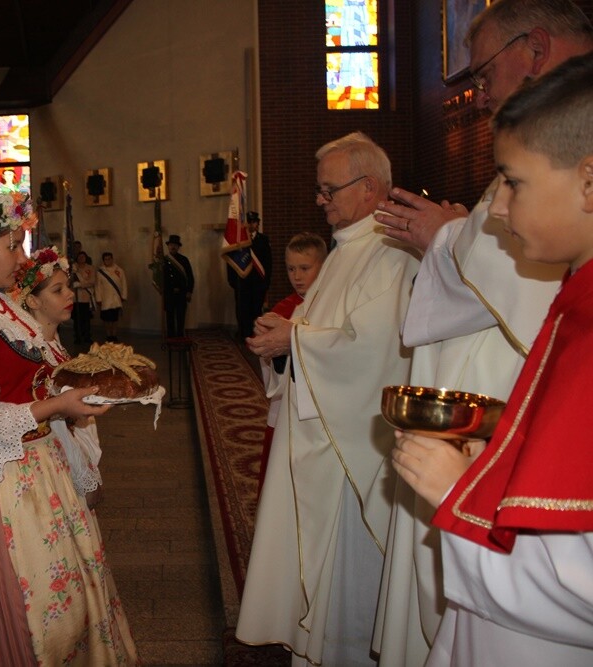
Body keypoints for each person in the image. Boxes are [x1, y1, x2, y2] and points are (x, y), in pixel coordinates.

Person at [371, 3, 593, 664]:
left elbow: (575, 582)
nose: (494, 208)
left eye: (514, 185)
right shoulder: (574, 296)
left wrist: (456, 492)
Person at [0, 192, 138, 665]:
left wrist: (77, 392)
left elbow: (37, 375)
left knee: (75, 593)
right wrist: (56, 405)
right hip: (5, 480)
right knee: (43, 607)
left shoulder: (2, 305)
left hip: (41, 463)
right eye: (13, 246)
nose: (21, 259)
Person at [236, 132, 420, 666]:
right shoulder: (348, 249)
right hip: (323, 435)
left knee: (349, 574)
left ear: (368, 188)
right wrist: (287, 332)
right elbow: (328, 329)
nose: (321, 200)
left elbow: (377, 351)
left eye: (328, 189)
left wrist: (292, 338)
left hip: (352, 448)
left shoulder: (391, 253)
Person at [11, 246, 105, 507]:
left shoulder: (53, 342)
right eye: (58, 290)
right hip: (55, 455)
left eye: (67, 286)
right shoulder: (31, 351)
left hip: (75, 442)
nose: (69, 294)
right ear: (32, 301)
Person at [256, 232, 328, 495]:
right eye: (290, 269)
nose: (296, 276)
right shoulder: (284, 308)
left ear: (325, 266)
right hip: (287, 406)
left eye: (305, 268)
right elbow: (274, 376)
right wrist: (267, 347)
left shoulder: (332, 306)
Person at [228, 211, 273, 339]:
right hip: (242, 282)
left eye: (253, 222)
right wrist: (232, 281)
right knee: (242, 309)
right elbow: (231, 261)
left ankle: (254, 334)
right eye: (248, 222)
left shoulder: (263, 240)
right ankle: (243, 334)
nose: (251, 224)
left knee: (256, 309)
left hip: (258, 282)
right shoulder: (239, 240)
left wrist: (266, 282)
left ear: (258, 223)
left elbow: (268, 262)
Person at [162, 234, 194, 338]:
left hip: (181, 293)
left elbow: (190, 276)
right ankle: (170, 337)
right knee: (170, 317)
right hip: (169, 293)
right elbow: (161, 278)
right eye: (171, 244)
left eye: (175, 245)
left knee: (181, 317)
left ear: (178, 246)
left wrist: (189, 291)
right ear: (168, 246)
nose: (173, 247)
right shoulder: (164, 260)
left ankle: (180, 337)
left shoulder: (184, 260)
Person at [95, 251, 127, 343]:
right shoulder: (100, 272)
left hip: (116, 298)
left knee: (114, 318)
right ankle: (108, 335)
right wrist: (98, 298)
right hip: (105, 299)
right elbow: (98, 286)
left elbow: (124, 283)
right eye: (106, 259)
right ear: (103, 260)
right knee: (107, 319)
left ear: (112, 259)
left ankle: (114, 335)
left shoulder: (119, 270)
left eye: (109, 259)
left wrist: (124, 296)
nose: (108, 260)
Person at [69, 251, 96, 345]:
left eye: (83, 257)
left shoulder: (90, 268)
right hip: (75, 299)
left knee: (86, 319)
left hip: (85, 297)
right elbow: (68, 282)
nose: (81, 258)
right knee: (76, 319)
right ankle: (77, 336)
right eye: (79, 257)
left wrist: (80, 284)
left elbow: (92, 281)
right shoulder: (73, 268)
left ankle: (87, 336)